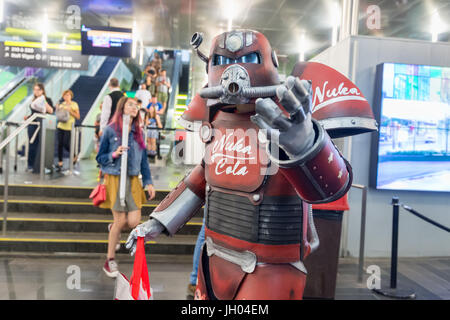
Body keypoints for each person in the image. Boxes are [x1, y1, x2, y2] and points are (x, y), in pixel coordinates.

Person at [96, 96, 156, 278]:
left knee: (133, 222)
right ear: (122, 107)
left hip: (133, 180)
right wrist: (114, 154)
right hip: (115, 178)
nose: (134, 108)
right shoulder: (110, 130)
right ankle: (110, 260)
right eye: (130, 104)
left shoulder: (139, 132)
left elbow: (144, 160)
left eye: (136, 106)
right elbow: (100, 158)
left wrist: (148, 182)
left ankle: (113, 227)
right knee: (120, 222)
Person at [25, 83, 54, 173]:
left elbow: (51, 111)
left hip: (42, 124)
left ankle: (41, 165)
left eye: (38, 90)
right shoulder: (33, 99)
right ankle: (30, 165)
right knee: (32, 144)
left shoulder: (46, 99)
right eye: (34, 89)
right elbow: (34, 112)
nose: (36, 91)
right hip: (33, 123)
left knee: (41, 145)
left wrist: (44, 101)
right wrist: (28, 116)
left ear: (42, 90)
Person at [55, 89, 80, 171]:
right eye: (65, 95)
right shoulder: (62, 104)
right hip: (60, 125)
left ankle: (74, 155)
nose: (67, 97)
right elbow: (58, 115)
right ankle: (60, 162)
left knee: (66, 143)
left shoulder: (74, 104)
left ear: (71, 96)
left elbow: (78, 116)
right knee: (60, 144)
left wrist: (71, 111)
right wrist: (57, 109)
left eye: (68, 95)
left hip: (69, 126)